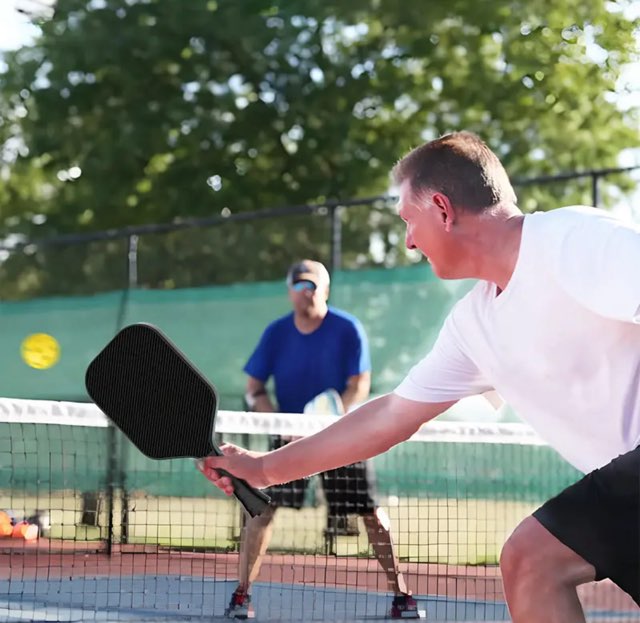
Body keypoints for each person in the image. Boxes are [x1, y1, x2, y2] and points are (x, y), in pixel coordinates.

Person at [199, 132, 640, 623]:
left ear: (442, 209)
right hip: (625, 489)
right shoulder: (474, 326)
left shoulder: (573, 240)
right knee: (531, 565)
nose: (408, 239)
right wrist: (263, 470)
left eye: (409, 221)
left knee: (532, 558)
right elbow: (391, 415)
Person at [224, 259, 419, 620]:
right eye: (298, 286)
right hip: (289, 438)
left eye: (311, 286)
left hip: (342, 436)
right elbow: (254, 388)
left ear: (325, 289)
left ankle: (401, 595)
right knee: (260, 508)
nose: (305, 293)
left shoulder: (347, 328)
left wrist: (327, 421)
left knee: (372, 513)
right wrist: (281, 425)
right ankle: (241, 596)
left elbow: (358, 384)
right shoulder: (276, 333)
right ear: (289, 292)